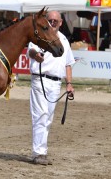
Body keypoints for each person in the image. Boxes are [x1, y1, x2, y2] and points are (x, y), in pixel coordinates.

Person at [26, 11, 75, 165]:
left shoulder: (64, 40)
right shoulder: (39, 34)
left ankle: (41, 151)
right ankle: (38, 153)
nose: (53, 23)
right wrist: (36, 56)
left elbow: (68, 64)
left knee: (48, 118)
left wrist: (69, 84)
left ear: (61, 22)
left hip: (56, 83)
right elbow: (30, 50)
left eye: (56, 20)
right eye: (50, 20)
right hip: (40, 79)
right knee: (40, 115)